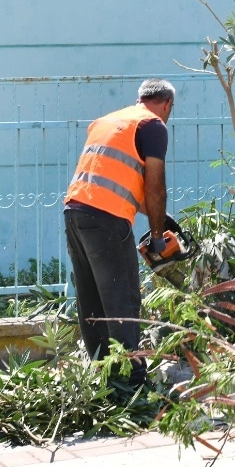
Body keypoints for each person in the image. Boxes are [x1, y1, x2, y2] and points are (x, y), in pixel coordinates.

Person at [64, 78, 174, 388]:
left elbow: (118, 182)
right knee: (123, 301)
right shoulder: (153, 126)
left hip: (76, 213)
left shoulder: (109, 121)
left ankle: (103, 379)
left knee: (93, 302)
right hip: (107, 220)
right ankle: (132, 385)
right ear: (167, 104)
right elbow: (155, 187)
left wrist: (162, 217)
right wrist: (157, 236)